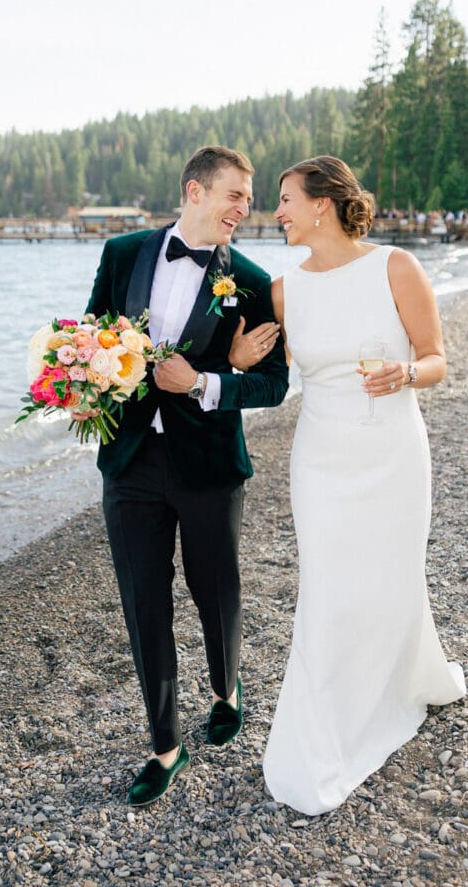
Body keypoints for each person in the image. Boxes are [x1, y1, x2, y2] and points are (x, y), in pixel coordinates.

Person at [229, 155, 465, 815]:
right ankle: (325, 733)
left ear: (322, 204)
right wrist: (234, 358)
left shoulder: (395, 266)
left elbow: (437, 359)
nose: (275, 213)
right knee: (330, 589)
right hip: (321, 458)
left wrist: (407, 373)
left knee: (391, 576)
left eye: (284, 199)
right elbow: (256, 366)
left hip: (391, 452)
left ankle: (398, 685)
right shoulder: (282, 291)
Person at [86, 145, 288, 807]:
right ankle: (164, 747)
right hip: (131, 462)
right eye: (234, 196)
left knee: (215, 587)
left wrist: (205, 381)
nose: (244, 209)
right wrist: (86, 373)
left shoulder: (251, 279)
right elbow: (90, 336)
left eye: (250, 200)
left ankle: (227, 688)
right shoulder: (123, 255)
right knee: (144, 602)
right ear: (193, 191)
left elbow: (273, 384)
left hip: (207, 465)